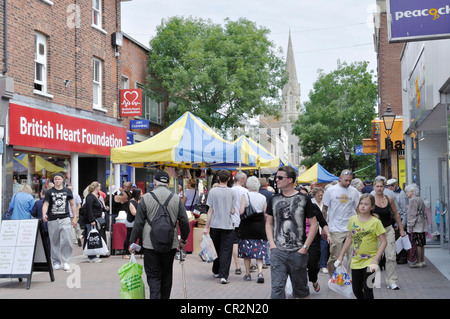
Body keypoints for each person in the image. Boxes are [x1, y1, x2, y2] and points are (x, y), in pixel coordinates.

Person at [129, 171, 190, 299]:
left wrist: (133, 242)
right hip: (170, 243)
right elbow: (184, 222)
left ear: (155, 182)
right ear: (168, 183)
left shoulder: (145, 198)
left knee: (153, 277)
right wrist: (183, 239)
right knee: (167, 275)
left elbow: (138, 223)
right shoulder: (176, 199)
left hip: (150, 244)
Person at [265, 166, 318, 299]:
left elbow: (314, 224)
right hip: (278, 252)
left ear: (290, 180)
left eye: (280, 177)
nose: (276, 180)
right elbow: (269, 223)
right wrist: (272, 245)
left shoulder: (304, 199)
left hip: (298, 252)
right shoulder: (274, 199)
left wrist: (304, 248)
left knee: (301, 290)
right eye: (276, 177)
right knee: (277, 289)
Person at [337, 194, 387, 299]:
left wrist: (375, 259)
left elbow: (383, 242)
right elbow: (349, 238)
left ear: (372, 207)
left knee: (368, 288)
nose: (363, 206)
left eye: (366, 204)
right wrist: (341, 255)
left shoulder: (376, 222)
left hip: (371, 261)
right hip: (356, 261)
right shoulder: (353, 219)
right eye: (361, 203)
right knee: (356, 290)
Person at [322, 169, 360, 276]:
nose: (348, 183)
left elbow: (357, 209)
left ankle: (351, 279)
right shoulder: (330, 191)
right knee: (335, 257)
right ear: (340, 178)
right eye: (346, 180)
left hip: (350, 228)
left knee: (352, 255)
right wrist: (324, 229)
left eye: (350, 181)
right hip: (335, 229)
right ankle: (333, 276)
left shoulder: (354, 191)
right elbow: (324, 210)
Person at [203, 169, 236, 284]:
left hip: (215, 225)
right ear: (228, 179)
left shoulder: (212, 192)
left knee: (215, 248)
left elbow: (210, 210)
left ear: (218, 178)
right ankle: (224, 276)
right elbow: (233, 211)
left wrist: (206, 227)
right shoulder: (232, 192)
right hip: (227, 225)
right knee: (226, 251)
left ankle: (216, 270)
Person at [372, 177, 406, 290]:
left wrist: (401, 229)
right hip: (374, 233)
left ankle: (391, 281)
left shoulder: (389, 198)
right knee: (374, 257)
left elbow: (396, 214)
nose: (379, 188)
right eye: (377, 186)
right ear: (374, 187)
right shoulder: (370, 199)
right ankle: (374, 280)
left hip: (388, 230)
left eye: (381, 186)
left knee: (390, 256)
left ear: (384, 187)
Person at [42, 173, 78, 271]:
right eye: (55, 179)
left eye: (59, 179)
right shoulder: (49, 192)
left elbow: (72, 204)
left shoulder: (67, 191)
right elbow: (45, 204)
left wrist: (74, 218)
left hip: (65, 218)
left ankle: (66, 261)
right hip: (53, 218)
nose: (57, 181)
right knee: (54, 241)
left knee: (67, 239)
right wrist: (44, 213)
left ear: (63, 180)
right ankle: (56, 261)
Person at [238, 176, 268, 283]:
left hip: (247, 226)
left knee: (247, 252)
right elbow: (265, 214)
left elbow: (241, 211)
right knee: (259, 250)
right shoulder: (263, 197)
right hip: (260, 226)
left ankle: (248, 274)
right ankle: (260, 272)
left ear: (248, 186)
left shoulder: (245, 195)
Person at [307, 188, 332, 292]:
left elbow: (322, 222)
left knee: (312, 265)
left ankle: (314, 280)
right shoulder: (295, 209)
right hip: (299, 240)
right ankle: (300, 286)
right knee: (298, 265)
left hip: (313, 240)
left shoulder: (313, 207)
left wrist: (328, 234)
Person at [405, 183, 428, 268]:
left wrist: (410, 226)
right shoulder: (419, 199)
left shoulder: (413, 200)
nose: (406, 193)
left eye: (407, 192)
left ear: (412, 191)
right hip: (421, 223)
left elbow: (412, 214)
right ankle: (422, 261)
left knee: (417, 243)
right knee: (421, 243)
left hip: (416, 225)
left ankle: (418, 261)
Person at [387, 178, 409, 264]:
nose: (390, 187)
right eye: (388, 186)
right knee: (396, 240)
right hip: (394, 221)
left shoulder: (401, 194)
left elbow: (404, 210)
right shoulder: (391, 193)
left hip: (400, 221)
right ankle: (398, 257)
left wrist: (403, 224)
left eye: (392, 185)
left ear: (396, 184)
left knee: (400, 240)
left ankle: (403, 258)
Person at [84, 181, 106, 263]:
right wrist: (92, 220)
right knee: (92, 238)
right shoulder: (90, 197)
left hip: (95, 219)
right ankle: (91, 256)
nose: (100, 187)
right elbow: (89, 209)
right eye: (99, 186)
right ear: (96, 187)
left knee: (94, 237)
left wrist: (104, 208)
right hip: (92, 220)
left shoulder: (94, 197)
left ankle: (93, 255)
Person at [231, 171, 248, 275]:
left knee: (234, 243)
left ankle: (237, 266)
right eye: (245, 179)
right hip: (243, 220)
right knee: (245, 242)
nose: (246, 181)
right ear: (241, 179)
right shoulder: (245, 191)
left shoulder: (230, 190)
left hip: (232, 220)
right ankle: (248, 265)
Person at [311, 187, 329, 274]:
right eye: (319, 195)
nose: (321, 197)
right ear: (314, 195)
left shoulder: (325, 204)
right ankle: (312, 264)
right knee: (313, 248)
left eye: (322, 195)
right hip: (312, 230)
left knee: (324, 247)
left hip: (323, 229)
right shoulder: (311, 203)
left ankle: (323, 265)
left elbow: (326, 217)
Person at [123, 188, 142, 259]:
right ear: (137, 194)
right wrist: (142, 213)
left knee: (141, 237)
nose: (142, 194)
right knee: (129, 237)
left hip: (138, 222)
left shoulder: (138, 201)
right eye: (141, 193)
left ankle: (141, 252)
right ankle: (124, 253)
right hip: (131, 222)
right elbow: (133, 212)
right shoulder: (131, 202)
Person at [31, 188, 50, 252]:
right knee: (49, 241)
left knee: (40, 241)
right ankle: (48, 254)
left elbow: (33, 213)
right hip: (49, 223)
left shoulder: (37, 202)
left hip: (39, 224)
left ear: (41, 194)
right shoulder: (51, 202)